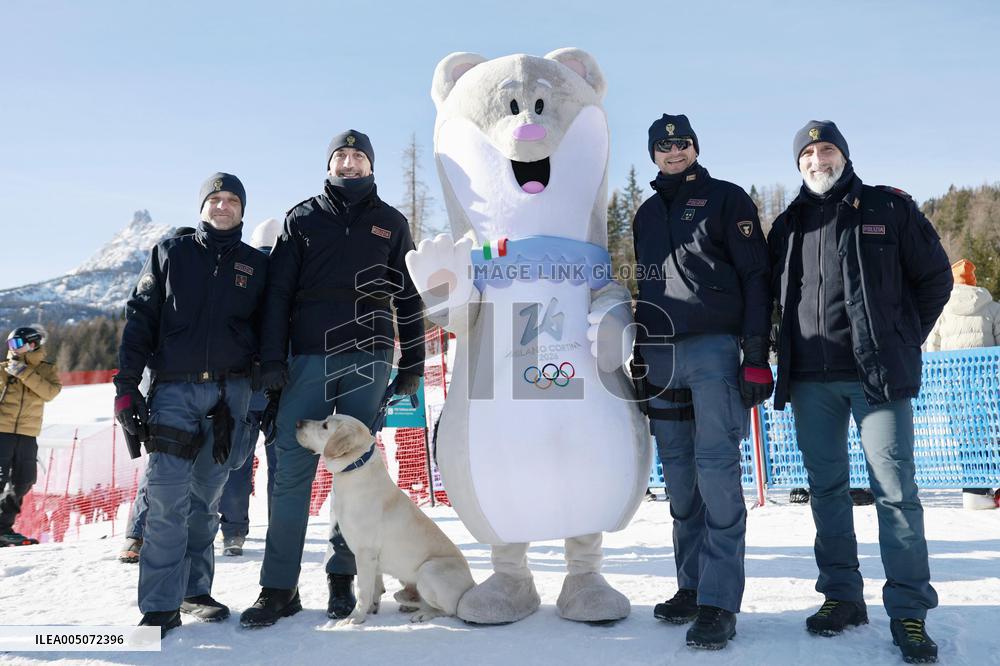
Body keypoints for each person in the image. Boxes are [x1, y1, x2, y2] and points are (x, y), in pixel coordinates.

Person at [768, 120, 952, 663]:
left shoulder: (888, 209)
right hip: (809, 382)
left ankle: (910, 612)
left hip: (877, 381)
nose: (817, 159)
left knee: (895, 495)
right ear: (798, 163)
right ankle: (842, 596)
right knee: (826, 492)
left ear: (843, 157)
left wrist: (900, 340)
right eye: (807, 153)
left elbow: (935, 278)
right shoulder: (788, 224)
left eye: (826, 150)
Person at [240, 130, 425, 628]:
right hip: (309, 355)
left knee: (358, 473)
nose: (349, 163)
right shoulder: (302, 218)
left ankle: (344, 576)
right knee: (293, 468)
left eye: (358, 156)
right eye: (341, 156)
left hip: (370, 355)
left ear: (370, 166)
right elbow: (278, 293)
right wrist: (273, 360)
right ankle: (278, 586)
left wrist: (412, 363)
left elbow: (407, 297)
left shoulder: (391, 223)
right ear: (329, 164)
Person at [632, 114, 772, 650]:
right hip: (661, 355)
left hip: (714, 349)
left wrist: (756, 354)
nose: (673, 152)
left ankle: (718, 601)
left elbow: (756, 277)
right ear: (652, 154)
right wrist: (639, 352)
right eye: (663, 146)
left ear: (695, 148)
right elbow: (646, 284)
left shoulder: (726, 199)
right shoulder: (645, 214)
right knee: (680, 481)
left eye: (682, 144)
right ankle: (690, 587)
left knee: (716, 473)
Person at [114, 173, 267, 637]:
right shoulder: (170, 253)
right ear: (201, 207)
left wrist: (265, 390)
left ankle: (194, 590)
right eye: (214, 199)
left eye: (232, 200)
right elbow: (140, 317)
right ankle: (160, 605)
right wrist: (125, 385)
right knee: (165, 499)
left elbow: (269, 331)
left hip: (230, 396)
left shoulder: (256, 266)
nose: (222, 206)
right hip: (174, 393)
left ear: (243, 210)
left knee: (205, 500)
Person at [217, 217, 283, 555]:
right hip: (279, 390)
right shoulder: (289, 286)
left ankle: (233, 532)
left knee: (238, 463)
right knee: (280, 465)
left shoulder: (240, 282)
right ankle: (280, 531)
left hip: (244, 389)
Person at [924, 258, 1000, 510]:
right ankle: (991, 483)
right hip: (987, 384)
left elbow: (932, 349)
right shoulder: (992, 308)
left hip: (955, 385)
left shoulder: (942, 311)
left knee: (966, 434)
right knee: (991, 431)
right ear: (974, 282)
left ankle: (973, 488)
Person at [0, 326, 61, 546]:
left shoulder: (46, 370)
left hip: (27, 433)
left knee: (24, 480)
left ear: (32, 344)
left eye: (17, 344)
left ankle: (3, 528)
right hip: (2, 432)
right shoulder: (3, 369)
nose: (13, 349)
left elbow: (50, 392)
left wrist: (24, 373)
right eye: (10, 345)